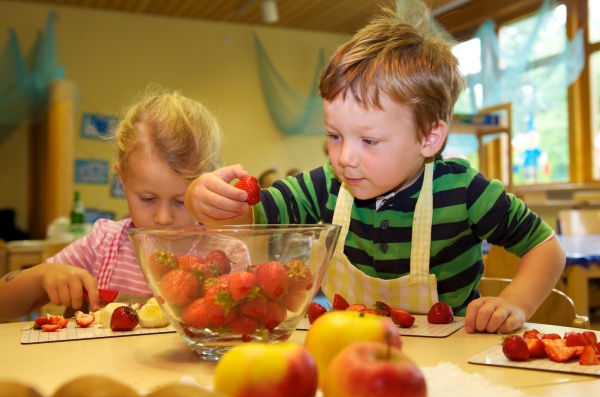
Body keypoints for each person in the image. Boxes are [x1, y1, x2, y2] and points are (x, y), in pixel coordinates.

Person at [184, 0, 566, 334]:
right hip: (352, 351)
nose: (344, 157)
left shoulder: (465, 192)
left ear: (429, 137)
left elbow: (546, 248)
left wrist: (516, 301)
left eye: (368, 141)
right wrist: (205, 199)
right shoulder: (325, 187)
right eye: (335, 136)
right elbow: (247, 218)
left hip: (451, 362)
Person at [0, 87, 248, 321]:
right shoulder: (104, 243)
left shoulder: (227, 253)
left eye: (182, 201)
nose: (163, 218)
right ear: (123, 180)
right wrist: (40, 277)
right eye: (148, 199)